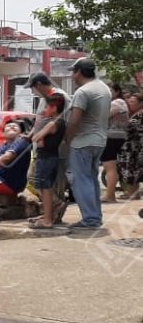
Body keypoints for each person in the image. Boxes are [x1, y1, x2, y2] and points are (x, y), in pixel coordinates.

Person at [64, 58, 111, 229]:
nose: (72, 76)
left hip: (82, 142)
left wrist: (68, 139)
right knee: (91, 180)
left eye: (73, 72)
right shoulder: (104, 88)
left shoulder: (83, 92)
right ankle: (95, 217)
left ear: (79, 72)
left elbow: (74, 120)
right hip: (99, 140)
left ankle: (90, 219)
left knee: (81, 180)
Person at [27, 73, 71, 223]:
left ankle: (54, 210)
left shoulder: (58, 97)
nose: (34, 91)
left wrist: (39, 136)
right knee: (41, 182)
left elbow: (60, 121)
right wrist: (32, 134)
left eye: (33, 88)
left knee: (47, 183)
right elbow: (40, 121)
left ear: (39, 85)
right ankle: (49, 213)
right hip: (44, 147)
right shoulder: (47, 99)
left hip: (53, 149)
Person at [29, 103, 68, 229]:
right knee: (48, 187)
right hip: (52, 157)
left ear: (54, 107)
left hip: (45, 158)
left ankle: (47, 220)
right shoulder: (61, 122)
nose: (44, 110)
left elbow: (35, 137)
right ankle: (48, 216)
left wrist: (40, 137)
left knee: (44, 188)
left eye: (46, 107)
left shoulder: (53, 123)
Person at [103, 84, 130, 203]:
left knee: (109, 166)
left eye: (110, 91)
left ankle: (110, 195)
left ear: (117, 91)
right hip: (117, 136)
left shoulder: (117, 103)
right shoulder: (120, 102)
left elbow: (103, 116)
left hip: (113, 136)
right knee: (111, 166)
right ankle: (110, 194)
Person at [118, 92, 143, 200]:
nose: (130, 103)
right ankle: (134, 192)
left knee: (131, 169)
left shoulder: (139, 115)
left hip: (133, 147)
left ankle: (132, 193)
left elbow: (128, 129)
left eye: (133, 102)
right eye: (129, 101)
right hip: (134, 147)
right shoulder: (136, 114)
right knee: (134, 170)